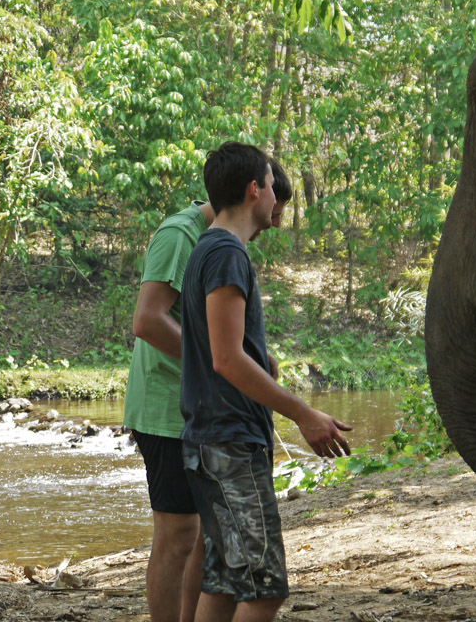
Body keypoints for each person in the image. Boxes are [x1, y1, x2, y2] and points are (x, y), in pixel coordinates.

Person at [179, 142, 351, 622]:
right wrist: (303, 413)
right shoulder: (227, 254)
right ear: (255, 190)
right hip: (229, 444)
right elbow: (226, 360)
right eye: (273, 187)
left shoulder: (208, 249)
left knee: (225, 581)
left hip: (209, 441)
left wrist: (261, 357)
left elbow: (227, 349)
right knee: (264, 588)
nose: (277, 198)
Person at [124, 158, 294, 622]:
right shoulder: (186, 236)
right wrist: (220, 360)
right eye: (275, 210)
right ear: (253, 191)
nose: (271, 226)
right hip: (166, 405)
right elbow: (148, 320)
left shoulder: (220, 245)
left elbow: (220, 338)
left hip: (202, 405)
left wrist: (245, 359)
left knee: (212, 545)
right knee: (179, 535)